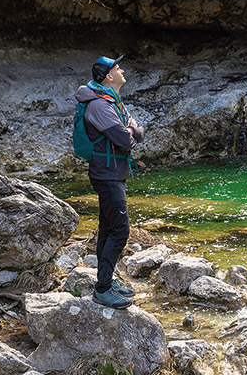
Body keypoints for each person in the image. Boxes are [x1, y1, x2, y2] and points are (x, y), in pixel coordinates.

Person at [74, 55, 145, 309]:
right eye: (117, 68)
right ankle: (102, 290)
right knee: (120, 230)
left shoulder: (112, 99)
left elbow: (137, 129)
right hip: (107, 174)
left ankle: (106, 280)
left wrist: (131, 130)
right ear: (108, 76)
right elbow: (127, 140)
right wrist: (131, 131)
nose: (122, 70)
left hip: (114, 172)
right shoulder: (100, 106)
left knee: (107, 228)